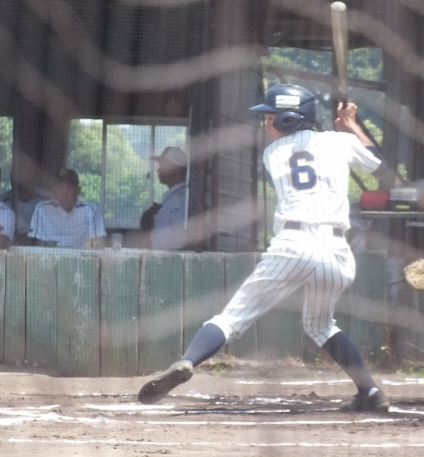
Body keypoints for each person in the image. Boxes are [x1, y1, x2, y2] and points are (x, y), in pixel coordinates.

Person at [137, 84, 391, 411]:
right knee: (320, 325)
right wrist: (351, 126)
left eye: (271, 117)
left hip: (293, 245)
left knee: (231, 319)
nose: (266, 124)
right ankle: (370, 392)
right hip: (337, 253)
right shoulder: (339, 142)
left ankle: (188, 360)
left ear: (289, 119)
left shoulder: (275, 153)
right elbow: (381, 168)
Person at [28, 168, 106, 248]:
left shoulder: (90, 210)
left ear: (78, 190)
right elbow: (36, 245)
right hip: (49, 256)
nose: (64, 193)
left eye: (69, 187)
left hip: (81, 255)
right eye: (60, 187)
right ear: (54, 191)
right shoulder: (42, 209)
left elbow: (98, 244)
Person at [139, 147, 188, 251]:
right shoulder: (177, 197)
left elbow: (180, 237)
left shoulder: (177, 200)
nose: (158, 169)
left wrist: (150, 239)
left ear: (176, 169)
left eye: (163, 165)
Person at [0, 165, 50, 245]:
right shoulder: (0, 203)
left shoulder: (48, 200)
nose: (23, 187)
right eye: (19, 184)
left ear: (35, 182)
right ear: (12, 182)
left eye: (27, 182)